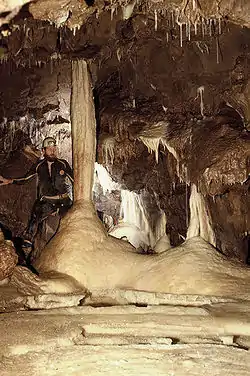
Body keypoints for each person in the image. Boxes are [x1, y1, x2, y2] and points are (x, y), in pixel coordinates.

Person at [0, 137, 74, 248]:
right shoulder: (39, 165)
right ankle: (29, 239)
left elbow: (74, 181)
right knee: (36, 213)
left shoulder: (63, 164)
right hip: (47, 201)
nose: (52, 151)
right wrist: (10, 181)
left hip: (64, 200)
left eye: (54, 148)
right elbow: (26, 178)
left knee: (74, 219)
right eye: (49, 149)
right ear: (43, 151)